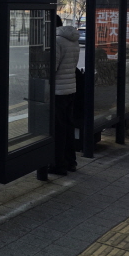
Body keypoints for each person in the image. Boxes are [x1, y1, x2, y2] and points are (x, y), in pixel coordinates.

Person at [50, 15, 81, 175]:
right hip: (70, 89)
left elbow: (52, 68)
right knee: (68, 127)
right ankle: (71, 161)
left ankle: (59, 165)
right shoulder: (72, 40)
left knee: (58, 129)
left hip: (58, 91)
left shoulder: (56, 41)